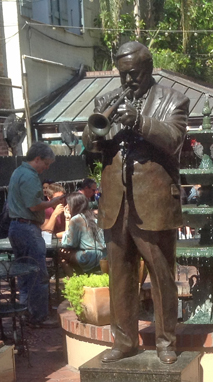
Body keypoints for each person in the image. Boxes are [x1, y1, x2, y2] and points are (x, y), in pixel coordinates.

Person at [81, 41, 188, 365]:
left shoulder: (173, 99)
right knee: (120, 276)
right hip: (117, 202)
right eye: (123, 74)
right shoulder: (108, 99)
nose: (127, 81)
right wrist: (94, 130)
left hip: (154, 200)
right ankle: (124, 341)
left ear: (149, 68)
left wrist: (139, 120)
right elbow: (91, 145)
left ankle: (166, 341)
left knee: (161, 275)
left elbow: (174, 139)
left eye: (134, 75)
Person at [6, 142, 66, 328]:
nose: (46, 168)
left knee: (24, 275)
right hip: (28, 228)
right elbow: (34, 206)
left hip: (16, 227)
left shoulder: (17, 172)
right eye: (46, 164)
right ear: (37, 159)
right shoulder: (30, 176)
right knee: (39, 274)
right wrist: (54, 202)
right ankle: (40, 316)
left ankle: (26, 313)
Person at [60, 192, 106, 274]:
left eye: (67, 204)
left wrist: (67, 219)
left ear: (73, 205)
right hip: (103, 255)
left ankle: (75, 282)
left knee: (62, 255)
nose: (66, 206)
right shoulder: (94, 216)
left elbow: (67, 244)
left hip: (87, 257)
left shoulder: (76, 219)